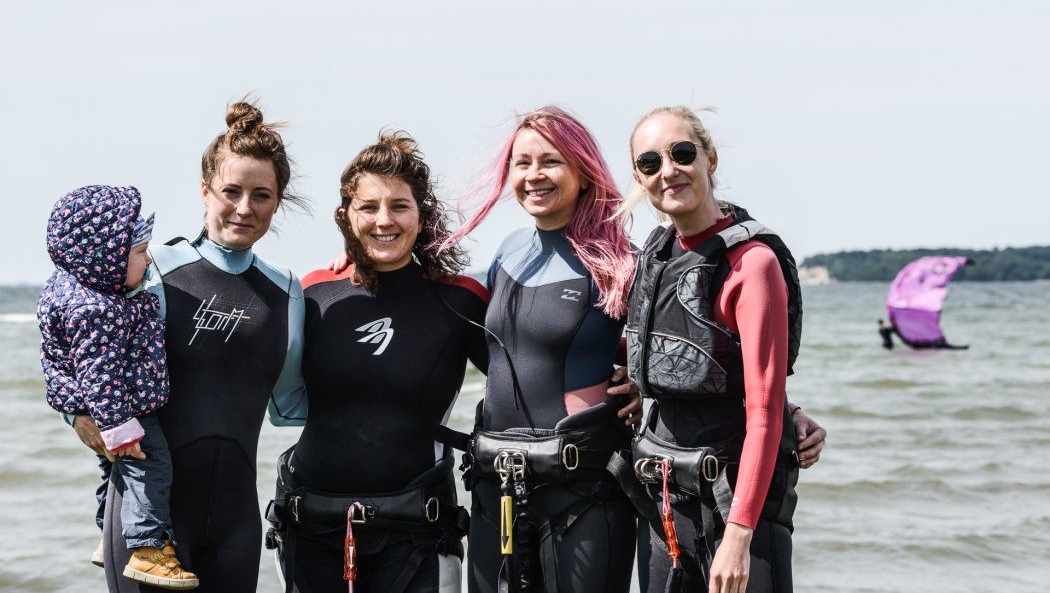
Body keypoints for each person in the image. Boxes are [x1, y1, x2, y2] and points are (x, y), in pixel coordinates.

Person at [68, 100, 307, 593]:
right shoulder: (153, 270)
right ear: (205, 191)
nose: (245, 208)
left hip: (236, 526)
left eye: (261, 195)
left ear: (277, 202)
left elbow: (289, 407)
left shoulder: (287, 292)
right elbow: (74, 334)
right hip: (150, 530)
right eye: (231, 191)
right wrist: (75, 412)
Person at [266, 132, 489, 593]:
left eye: (399, 206)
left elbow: (529, 372)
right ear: (345, 216)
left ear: (422, 214)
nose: (383, 220)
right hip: (310, 528)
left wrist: (619, 377)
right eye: (368, 207)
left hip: (418, 535)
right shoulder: (313, 293)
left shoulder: (460, 299)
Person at [436, 107, 645, 593]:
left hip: (583, 489)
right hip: (497, 485)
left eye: (550, 161)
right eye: (521, 162)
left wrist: (642, 380)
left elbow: (682, 348)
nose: (533, 175)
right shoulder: (508, 251)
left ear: (582, 169)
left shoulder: (619, 260)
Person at [623, 105, 807, 593]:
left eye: (682, 153)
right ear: (640, 179)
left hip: (735, 507)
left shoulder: (752, 264)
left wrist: (739, 535)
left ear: (711, 159)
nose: (669, 170)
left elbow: (763, 406)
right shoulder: (655, 258)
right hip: (665, 501)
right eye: (650, 162)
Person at [39, 185, 199, 589]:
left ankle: (106, 533)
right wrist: (121, 429)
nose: (149, 259)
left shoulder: (72, 287)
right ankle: (148, 549)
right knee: (150, 467)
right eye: (140, 252)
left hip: (105, 407)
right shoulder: (98, 310)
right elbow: (101, 376)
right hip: (125, 410)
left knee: (113, 474)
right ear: (105, 257)